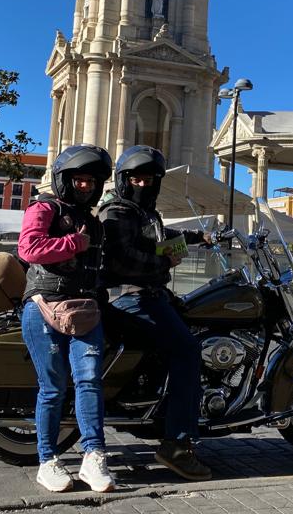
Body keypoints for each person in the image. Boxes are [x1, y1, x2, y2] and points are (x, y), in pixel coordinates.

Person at [98, 145, 212, 482]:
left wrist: (201, 237)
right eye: (137, 178)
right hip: (131, 297)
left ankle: (167, 412)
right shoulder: (116, 212)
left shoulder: (146, 213)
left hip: (150, 295)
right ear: (124, 179)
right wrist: (164, 262)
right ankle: (176, 445)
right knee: (186, 350)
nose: (143, 184)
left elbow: (162, 239)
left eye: (149, 179)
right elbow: (123, 259)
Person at [19, 144, 116, 494]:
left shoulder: (93, 219)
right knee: (53, 387)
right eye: (79, 180)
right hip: (44, 306)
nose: (86, 187)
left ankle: (93, 456)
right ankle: (48, 460)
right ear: (65, 180)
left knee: (89, 380)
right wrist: (73, 243)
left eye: (92, 181)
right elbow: (29, 248)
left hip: (85, 308)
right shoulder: (44, 207)